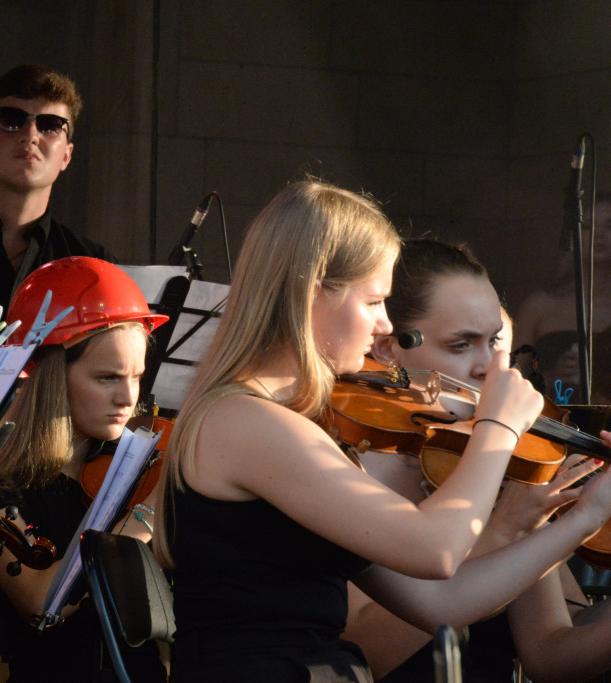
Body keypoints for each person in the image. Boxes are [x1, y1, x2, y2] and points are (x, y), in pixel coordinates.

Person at [151, 179, 611, 683]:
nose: (386, 326)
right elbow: (435, 550)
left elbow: (442, 603)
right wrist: (497, 429)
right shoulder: (245, 421)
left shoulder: (279, 424)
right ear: (314, 292)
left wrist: (586, 516)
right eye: (374, 302)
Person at [344, 237, 611, 683]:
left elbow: (549, 654)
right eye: (461, 345)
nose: (490, 368)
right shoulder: (351, 463)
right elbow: (365, 654)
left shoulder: (507, 466)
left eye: (495, 343)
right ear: (387, 347)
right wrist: (502, 532)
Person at [0, 256, 167, 683]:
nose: (128, 397)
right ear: (53, 378)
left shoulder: (131, 470)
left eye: (136, 377)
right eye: (107, 378)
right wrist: (151, 510)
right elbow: (45, 605)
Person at [0, 64, 115, 324]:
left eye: (50, 125)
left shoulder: (93, 265)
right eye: (12, 120)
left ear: (67, 156)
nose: (30, 135)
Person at [516, 193, 611, 405]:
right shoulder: (539, 306)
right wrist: (551, 378)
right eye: (588, 226)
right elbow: (511, 379)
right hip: (550, 423)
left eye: (610, 226)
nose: (599, 234)